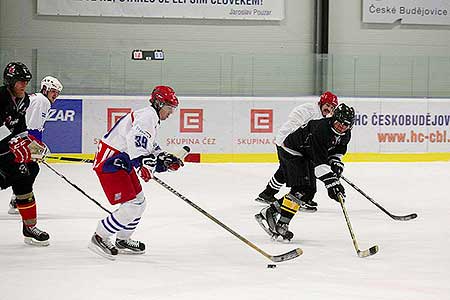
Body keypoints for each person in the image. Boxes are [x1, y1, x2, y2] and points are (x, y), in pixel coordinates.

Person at [89, 85, 185, 260]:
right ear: (158, 103)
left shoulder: (151, 117)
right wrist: (142, 164)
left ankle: (123, 239)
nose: (171, 113)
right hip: (111, 161)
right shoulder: (148, 116)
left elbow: (149, 146)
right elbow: (135, 142)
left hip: (122, 160)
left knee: (139, 202)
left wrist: (165, 159)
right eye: (169, 108)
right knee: (132, 205)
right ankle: (99, 236)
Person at [255, 103, 355, 241]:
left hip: (305, 153)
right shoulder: (322, 130)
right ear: (334, 118)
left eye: (346, 124)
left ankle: (272, 213)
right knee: (302, 188)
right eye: (339, 122)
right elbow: (320, 166)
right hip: (291, 150)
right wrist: (332, 183)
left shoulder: (346, 134)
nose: (341, 126)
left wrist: (336, 163)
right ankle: (280, 220)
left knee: (308, 193)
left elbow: (336, 151)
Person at [255, 91, 339, 212]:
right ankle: (302, 198)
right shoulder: (308, 109)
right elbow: (295, 126)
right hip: (288, 143)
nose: (329, 109)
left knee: (285, 171)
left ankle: (267, 194)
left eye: (332, 107)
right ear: (321, 103)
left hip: (295, 146)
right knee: (301, 173)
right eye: (327, 105)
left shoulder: (325, 118)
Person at [0, 61, 50, 246]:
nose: (24, 85)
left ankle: (29, 227)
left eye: (25, 81)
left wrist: (29, 144)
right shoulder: (0, 98)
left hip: (4, 152)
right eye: (20, 81)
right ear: (10, 81)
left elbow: (20, 127)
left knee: (29, 170)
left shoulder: (24, 100)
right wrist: (13, 145)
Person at [8, 75, 63, 214]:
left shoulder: (39, 99)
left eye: (57, 92)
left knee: (28, 169)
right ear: (45, 89)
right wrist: (36, 148)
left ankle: (17, 199)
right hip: (15, 139)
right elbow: (32, 127)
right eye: (53, 91)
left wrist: (37, 146)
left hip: (13, 137)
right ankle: (18, 200)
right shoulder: (42, 101)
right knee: (29, 169)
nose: (55, 94)